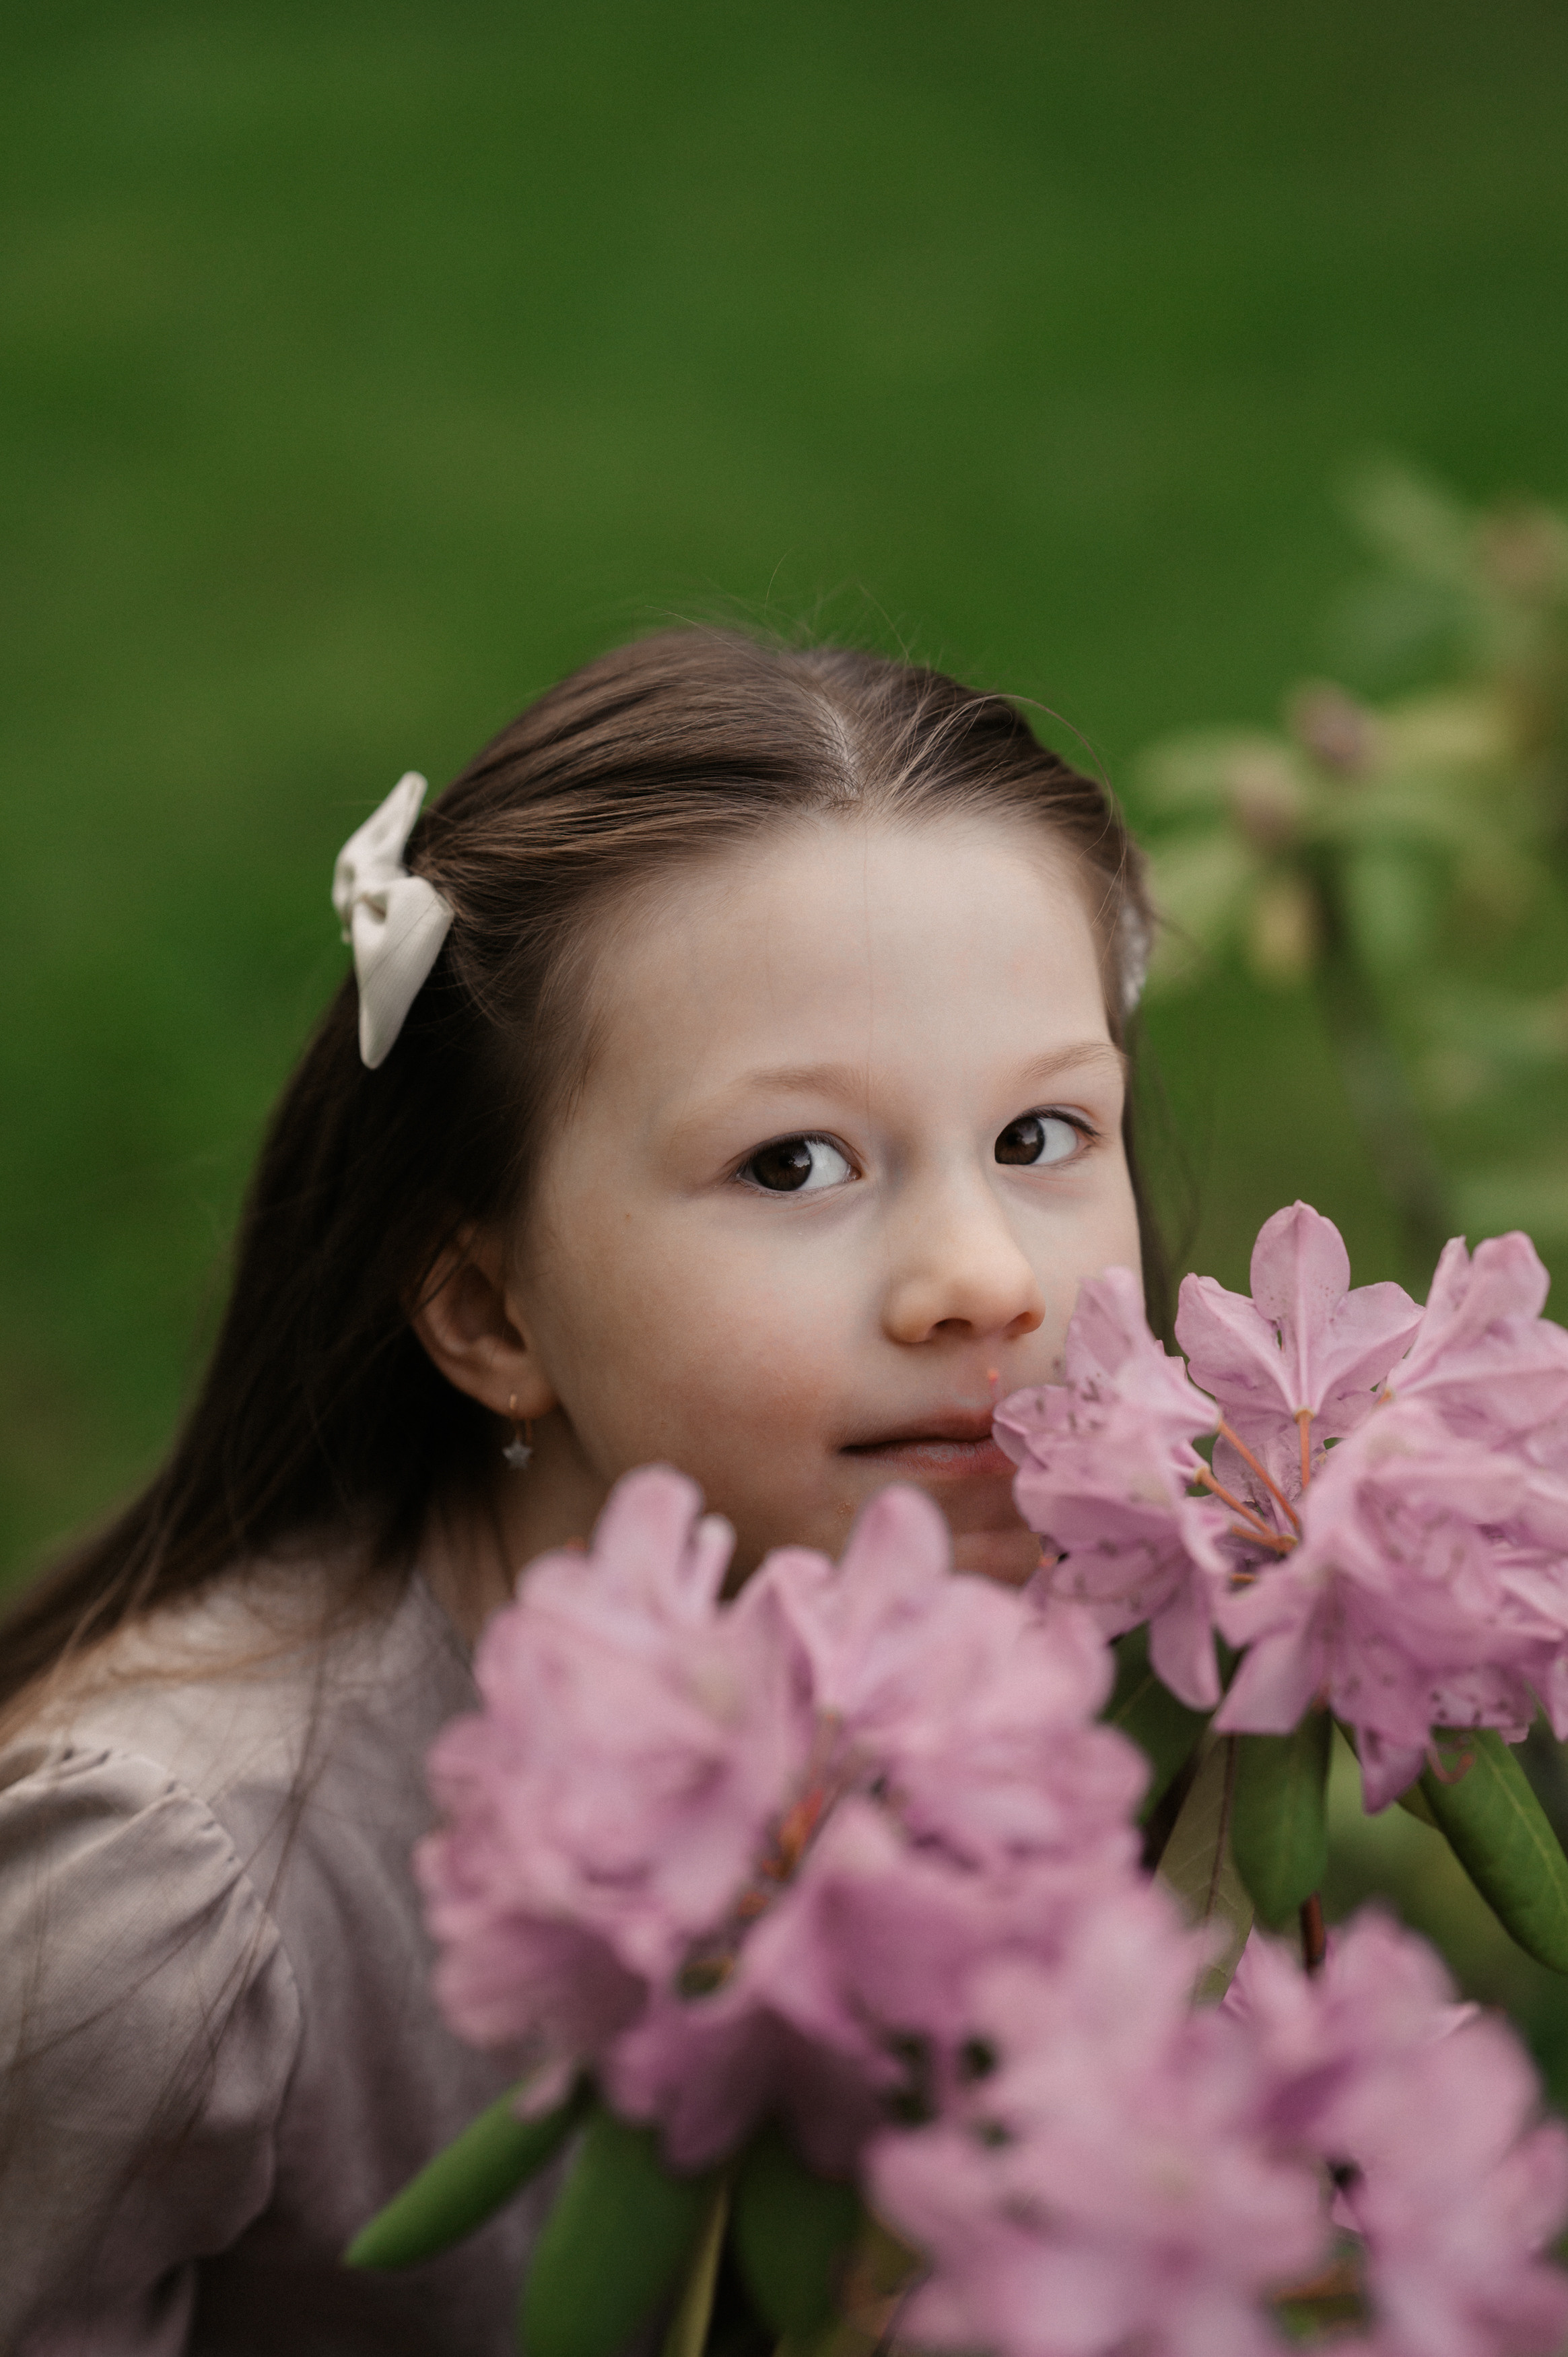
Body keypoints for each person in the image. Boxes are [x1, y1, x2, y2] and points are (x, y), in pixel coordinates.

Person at [0, 628, 1162, 2355]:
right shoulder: (178, 1907)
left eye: (1040, 1135)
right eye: (794, 1161)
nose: (985, 1278)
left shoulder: (1084, 1652)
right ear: (489, 1309)